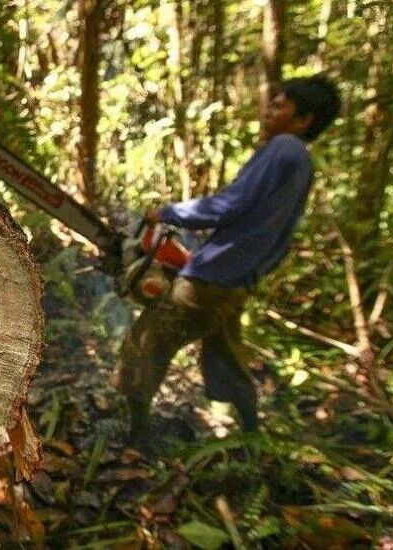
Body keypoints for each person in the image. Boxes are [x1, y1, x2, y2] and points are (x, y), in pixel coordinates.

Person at [111, 75, 341, 439]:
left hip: (212, 277)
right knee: (226, 354)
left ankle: (137, 436)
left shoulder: (283, 147)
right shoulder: (303, 164)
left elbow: (229, 204)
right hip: (237, 283)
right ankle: (251, 436)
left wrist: (169, 213)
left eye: (280, 106)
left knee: (147, 341)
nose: (269, 110)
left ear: (303, 120)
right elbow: (278, 232)